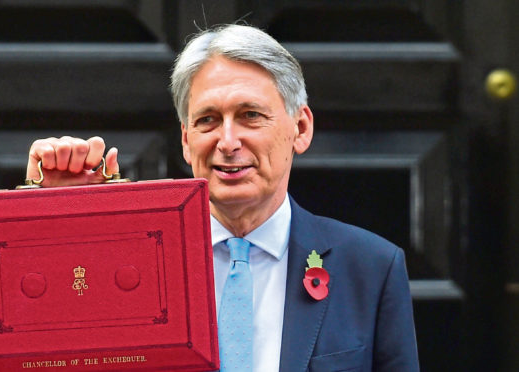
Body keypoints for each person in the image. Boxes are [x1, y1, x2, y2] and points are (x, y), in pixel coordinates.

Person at [26, 24, 419, 372]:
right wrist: (62, 230)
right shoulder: (131, 265)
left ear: (300, 128)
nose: (227, 143)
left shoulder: (371, 268)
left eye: (250, 115)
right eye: (207, 120)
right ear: (185, 139)